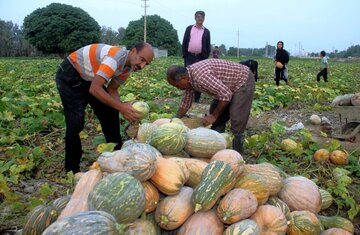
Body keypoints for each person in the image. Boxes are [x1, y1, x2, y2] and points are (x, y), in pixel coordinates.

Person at [55, 42, 154, 173]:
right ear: (134, 51)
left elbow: (112, 89)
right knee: (76, 122)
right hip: (71, 73)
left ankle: (118, 155)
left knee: (110, 112)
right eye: (142, 60)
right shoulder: (115, 59)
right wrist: (122, 107)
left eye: (146, 64)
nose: (142, 66)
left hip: (90, 79)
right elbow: (95, 89)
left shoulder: (128, 67)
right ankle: (72, 169)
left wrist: (122, 109)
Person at [166, 59, 255, 154]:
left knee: (237, 117)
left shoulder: (200, 77)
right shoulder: (189, 79)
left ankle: (238, 152)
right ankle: (218, 146)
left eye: (177, 85)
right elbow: (186, 103)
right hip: (225, 86)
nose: (178, 88)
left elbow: (225, 94)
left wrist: (214, 116)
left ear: (183, 78)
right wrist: (175, 119)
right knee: (215, 111)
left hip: (242, 80)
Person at [182, 10, 211, 103]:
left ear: (204, 18)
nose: (200, 18)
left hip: (201, 57)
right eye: (198, 16)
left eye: (202, 17)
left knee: (199, 77)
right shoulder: (189, 28)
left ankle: (197, 98)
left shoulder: (206, 31)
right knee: (188, 77)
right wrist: (184, 55)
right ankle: (188, 97)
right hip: (189, 56)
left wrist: (205, 57)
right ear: (195, 18)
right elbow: (185, 42)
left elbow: (207, 45)